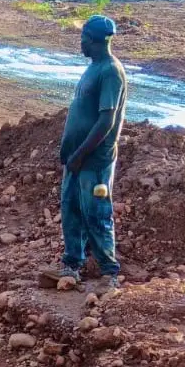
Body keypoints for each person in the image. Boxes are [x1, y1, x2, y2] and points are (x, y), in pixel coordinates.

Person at [42, 15, 127, 292]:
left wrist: (80, 153)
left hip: (94, 160)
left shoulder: (110, 72)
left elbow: (106, 121)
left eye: (84, 39)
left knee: (96, 213)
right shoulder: (94, 68)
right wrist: (70, 152)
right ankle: (72, 265)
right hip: (77, 158)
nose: (81, 44)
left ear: (95, 41)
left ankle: (109, 273)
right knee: (71, 209)